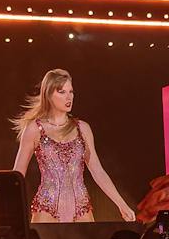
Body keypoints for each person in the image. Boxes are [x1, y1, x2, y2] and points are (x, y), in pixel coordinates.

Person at [11, 68, 135, 223]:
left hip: (81, 208)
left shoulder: (82, 128)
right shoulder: (34, 129)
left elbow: (98, 171)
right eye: (62, 92)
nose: (68, 97)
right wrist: (11, 213)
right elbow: (16, 177)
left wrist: (122, 204)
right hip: (47, 208)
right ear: (49, 95)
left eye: (71, 92)